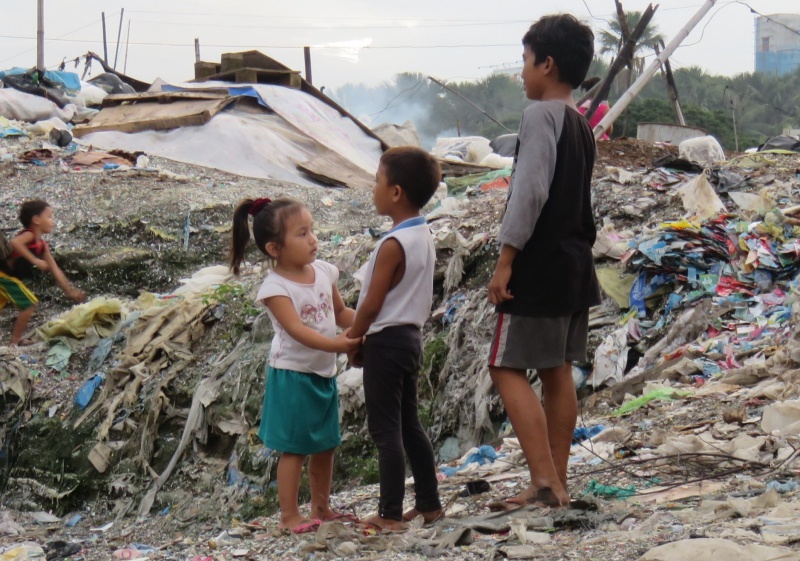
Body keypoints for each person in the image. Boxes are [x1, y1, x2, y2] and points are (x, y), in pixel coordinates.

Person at [486, 14, 601, 509]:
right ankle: (558, 479)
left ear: (547, 64)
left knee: (504, 366)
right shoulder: (581, 124)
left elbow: (529, 192)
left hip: (540, 263)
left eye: (526, 62)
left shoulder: (540, 117)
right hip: (576, 264)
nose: (522, 73)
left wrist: (506, 259)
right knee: (556, 370)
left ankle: (542, 480)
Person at [229, 197, 361, 534]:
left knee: (326, 443)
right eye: (302, 234)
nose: (313, 239)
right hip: (293, 374)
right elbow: (297, 331)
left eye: (312, 230)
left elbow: (341, 313)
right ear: (274, 248)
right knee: (294, 449)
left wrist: (367, 323)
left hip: (322, 372)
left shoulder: (323, 271)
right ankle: (289, 515)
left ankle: (321, 506)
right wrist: (340, 344)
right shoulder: (275, 287)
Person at [347, 146, 443, 533]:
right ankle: (429, 504)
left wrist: (354, 337)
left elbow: (371, 304)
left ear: (396, 192)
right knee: (409, 425)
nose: (373, 188)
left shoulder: (391, 245)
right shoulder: (422, 233)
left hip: (385, 342)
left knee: (385, 431)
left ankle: (389, 512)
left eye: (377, 181)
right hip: (411, 338)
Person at [1, 199, 85, 345]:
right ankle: (14, 342)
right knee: (29, 304)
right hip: (4, 276)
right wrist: (35, 260)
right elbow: (15, 242)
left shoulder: (42, 245)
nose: (52, 221)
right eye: (49, 217)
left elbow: (55, 269)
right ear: (36, 219)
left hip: (8, 278)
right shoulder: (30, 235)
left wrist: (69, 291)